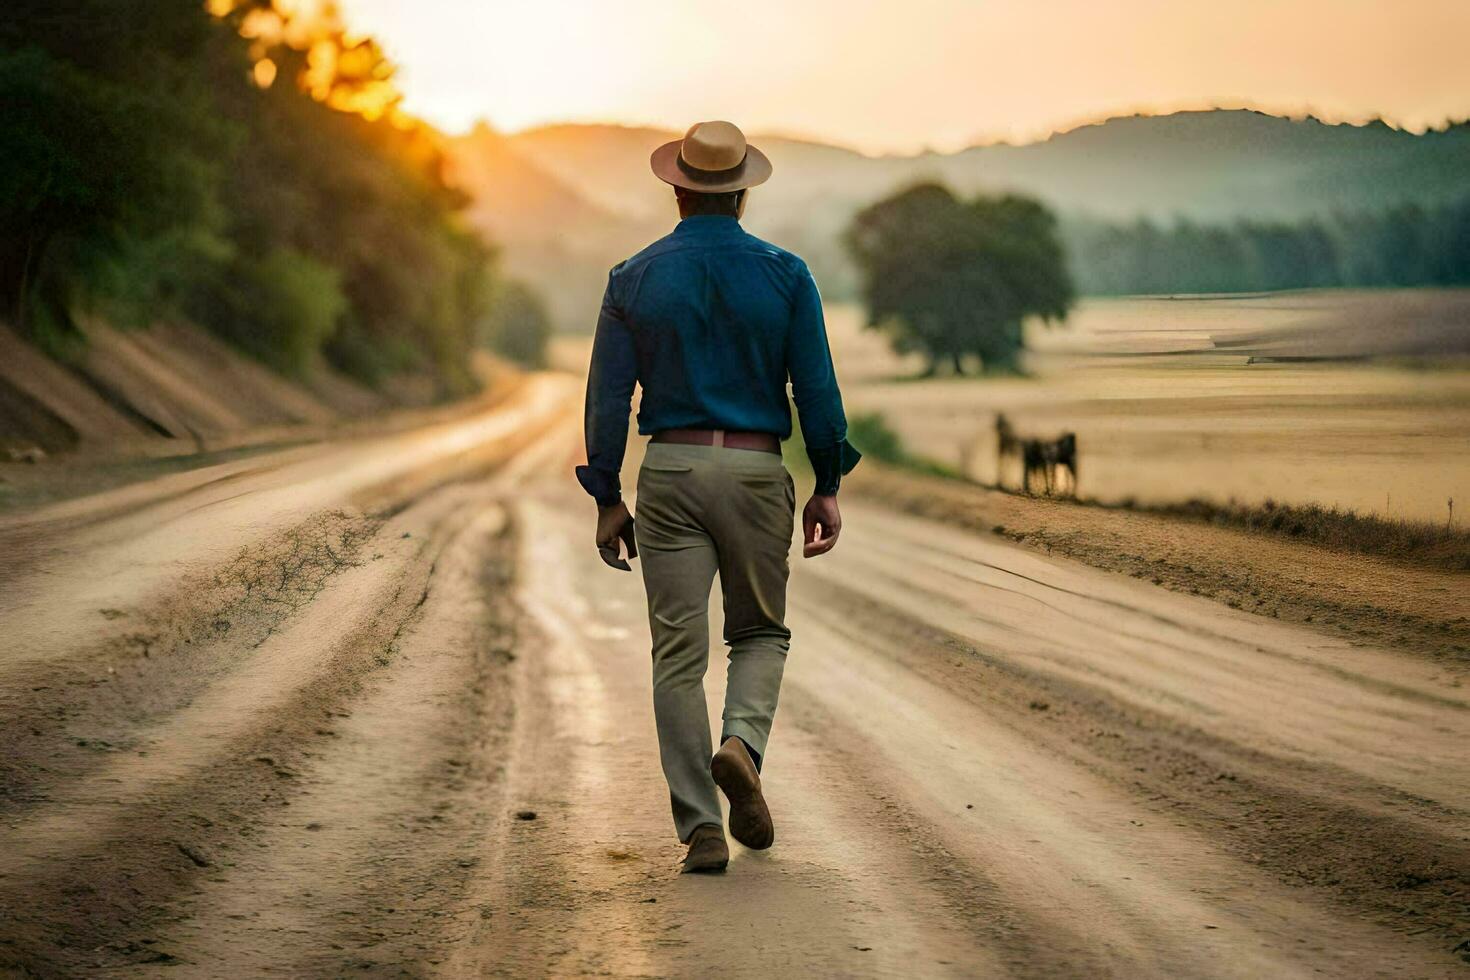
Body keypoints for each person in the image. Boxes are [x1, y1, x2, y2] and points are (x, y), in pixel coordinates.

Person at [575, 120, 860, 873]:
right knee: (760, 633)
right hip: (757, 468)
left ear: (676, 189)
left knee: (676, 655)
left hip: (668, 471)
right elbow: (817, 393)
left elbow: (607, 400)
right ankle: (741, 744)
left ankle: (701, 828)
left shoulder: (631, 277)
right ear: (741, 193)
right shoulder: (787, 274)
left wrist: (606, 494)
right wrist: (827, 483)